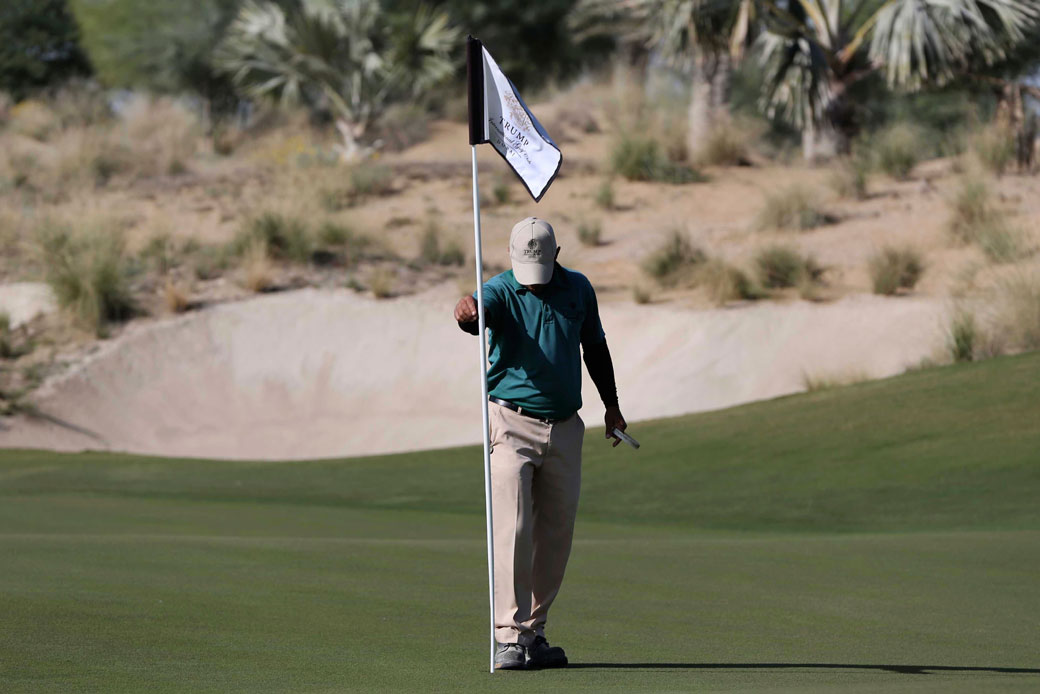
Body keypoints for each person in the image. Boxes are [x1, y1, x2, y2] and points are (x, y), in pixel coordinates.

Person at [453, 216, 627, 670]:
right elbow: (475, 315)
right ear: (513, 261)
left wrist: (611, 406)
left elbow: (596, 348)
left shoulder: (578, 289)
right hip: (510, 423)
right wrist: (466, 311)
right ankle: (509, 637)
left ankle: (534, 632)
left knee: (555, 534)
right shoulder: (499, 290)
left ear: (557, 257)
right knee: (513, 526)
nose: (534, 282)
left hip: (566, 426)